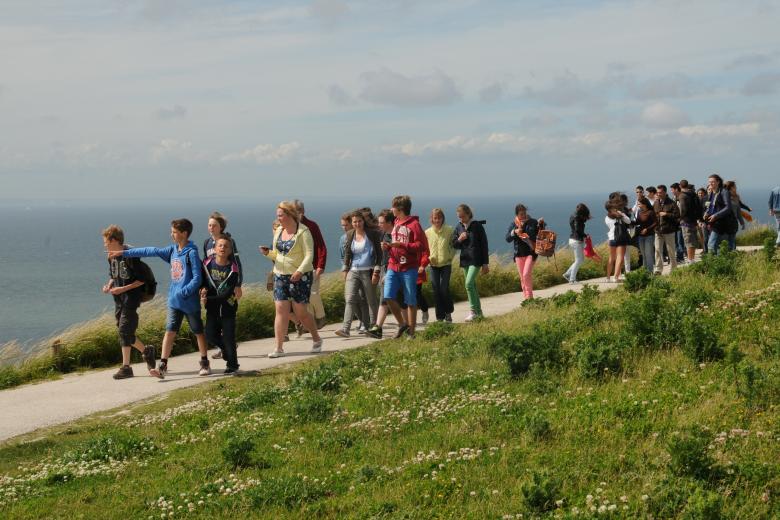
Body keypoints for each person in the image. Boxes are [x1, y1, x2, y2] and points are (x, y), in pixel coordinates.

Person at [110, 218, 210, 378]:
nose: (172, 234)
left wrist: (184, 292)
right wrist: (124, 252)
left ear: (184, 233)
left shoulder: (191, 252)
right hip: (174, 302)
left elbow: (197, 279)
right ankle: (162, 365)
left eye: (174, 232)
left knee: (198, 332)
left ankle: (204, 362)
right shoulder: (172, 250)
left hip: (189, 302)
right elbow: (151, 251)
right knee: (169, 332)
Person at [260, 201, 323, 357]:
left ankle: (316, 339)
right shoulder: (279, 231)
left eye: (280, 215)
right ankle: (279, 348)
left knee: (301, 312)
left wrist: (300, 271)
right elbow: (278, 254)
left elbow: (309, 255)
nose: (278, 218)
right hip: (280, 275)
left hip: (300, 276)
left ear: (289, 215)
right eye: (278, 216)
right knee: (281, 310)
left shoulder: (303, 231)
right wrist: (268, 253)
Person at [102, 225, 156, 380]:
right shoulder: (111, 256)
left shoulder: (131, 256)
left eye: (106, 241)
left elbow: (141, 280)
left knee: (124, 331)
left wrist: (123, 289)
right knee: (124, 332)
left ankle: (126, 367)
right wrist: (109, 285)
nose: (104, 244)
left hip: (131, 298)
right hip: (118, 299)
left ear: (113, 240)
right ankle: (147, 351)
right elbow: (114, 275)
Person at [382, 195, 429, 338]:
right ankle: (403, 324)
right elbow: (395, 244)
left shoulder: (414, 224)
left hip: (409, 268)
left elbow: (422, 246)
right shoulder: (395, 222)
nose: (391, 209)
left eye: (393, 207)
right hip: (393, 265)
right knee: (388, 296)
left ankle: (411, 333)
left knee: (410, 300)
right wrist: (388, 247)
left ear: (400, 209)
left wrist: (402, 245)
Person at [336, 209, 382, 337]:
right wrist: (345, 268)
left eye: (359, 221)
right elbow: (348, 254)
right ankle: (346, 329)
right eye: (354, 222)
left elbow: (379, 254)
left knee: (371, 300)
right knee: (350, 299)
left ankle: (374, 327)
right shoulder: (350, 234)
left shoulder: (372, 234)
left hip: (368, 271)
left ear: (363, 221)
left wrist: (376, 272)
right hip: (353, 270)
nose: (357, 224)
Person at [203, 211, 243, 360]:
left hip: (226, 285)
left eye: (214, 225)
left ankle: (229, 351)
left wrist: (238, 284)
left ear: (221, 227)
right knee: (213, 324)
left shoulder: (228, 242)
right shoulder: (207, 243)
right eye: (209, 225)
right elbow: (205, 266)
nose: (211, 228)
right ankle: (224, 347)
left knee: (226, 318)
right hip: (213, 286)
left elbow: (237, 263)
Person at [200, 234, 240, 374]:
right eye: (220, 245)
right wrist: (203, 289)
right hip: (212, 310)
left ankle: (232, 365)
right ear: (215, 248)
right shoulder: (206, 264)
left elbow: (227, 294)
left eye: (226, 246)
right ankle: (225, 349)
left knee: (229, 337)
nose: (223, 248)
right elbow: (203, 282)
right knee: (210, 334)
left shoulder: (233, 270)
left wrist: (207, 299)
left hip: (228, 308)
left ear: (230, 251)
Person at [366, 209, 407, 339]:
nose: (379, 225)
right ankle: (379, 328)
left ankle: (404, 326)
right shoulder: (383, 235)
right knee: (386, 299)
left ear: (390, 222)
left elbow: (401, 255)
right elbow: (380, 256)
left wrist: (389, 272)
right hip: (385, 268)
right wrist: (378, 271)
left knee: (396, 299)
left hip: (395, 269)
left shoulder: (396, 235)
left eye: (382, 222)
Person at [294, 200, 328, 330]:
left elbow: (321, 246)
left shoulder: (312, 226)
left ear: (302, 211)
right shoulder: (292, 227)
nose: (296, 214)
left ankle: (321, 316)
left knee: (313, 293)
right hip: (298, 268)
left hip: (313, 266)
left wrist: (321, 265)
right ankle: (310, 324)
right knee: (304, 298)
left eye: (297, 211)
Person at [452, 204, 489, 320]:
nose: (461, 219)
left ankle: (473, 311)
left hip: (476, 260)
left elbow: (484, 245)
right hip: (465, 259)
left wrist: (485, 263)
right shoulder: (458, 227)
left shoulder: (477, 226)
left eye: (462, 216)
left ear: (468, 214)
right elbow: (454, 244)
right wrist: (460, 239)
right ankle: (479, 313)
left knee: (468, 284)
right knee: (471, 285)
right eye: (459, 217)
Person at [425, 208, 455, 322]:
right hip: (433, 265)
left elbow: (454, 246)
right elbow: (425, 249)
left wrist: (450, 256)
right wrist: (428, 258)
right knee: (436, 290)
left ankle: (448, 312)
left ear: (443, 218)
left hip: (446, 264)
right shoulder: (427, 232)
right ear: (431, 219)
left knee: (444, 289)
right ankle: (440, 317)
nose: (437, 220)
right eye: (435, 218)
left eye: (439, 218)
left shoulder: (449, 230)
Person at [505, 204, 541, 299]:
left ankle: (529, 298)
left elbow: (540, 233)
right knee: (522, 277)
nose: (524, 215)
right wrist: (514, 232)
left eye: (525, 213)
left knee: (526, 274)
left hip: (531, 252)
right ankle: (527, 299)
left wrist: (541, 225)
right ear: (517, 214)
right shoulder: (513, 224)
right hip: (518, 254)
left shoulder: (533, 222)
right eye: (521, 214)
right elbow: (507, 238)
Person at [704, 174, 738, 254]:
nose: (710, 184)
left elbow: (728, 207)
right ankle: (718, 263)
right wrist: (706, 212)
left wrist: (715, 215)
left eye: (712, 182)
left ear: (718, 182)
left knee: (712, 245)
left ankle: (713, 263)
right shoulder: (712, 192)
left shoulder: (724, 191)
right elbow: (711, 205)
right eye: (709, 182)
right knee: (718, 246)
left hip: (724, 223)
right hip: (716, 223)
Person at [653, 185, 680, 274]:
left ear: (665, 192)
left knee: (671, 251)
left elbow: (677, 216)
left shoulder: (672, 203)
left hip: (669, 231)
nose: (658, 194)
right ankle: (658, 269)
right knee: (657, 250)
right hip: (658, 231)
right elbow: (654, 215)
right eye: (657, 192)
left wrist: (666, 214)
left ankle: (674, 269)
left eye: (660, 192)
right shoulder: (656, 203)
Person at [604, 195, 631, 282]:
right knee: (620, 257)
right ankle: (616, 277)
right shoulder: (620, 214)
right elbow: (629, 221)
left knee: (611, 258)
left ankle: (608, 277)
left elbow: (609, 226)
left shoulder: (607, 217)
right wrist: (621, 214)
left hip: (611, 238)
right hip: (621, 237)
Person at [562, 203, 590, 284]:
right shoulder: (577, 217)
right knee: (579, 260)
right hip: (577, 240)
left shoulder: (573, 216)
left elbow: (576, 228)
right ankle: (572, 279)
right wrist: (585, 235)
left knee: (580, 260)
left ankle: (567, 274)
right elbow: (578, 229)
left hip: (572, 239)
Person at [676, 180, 702, 263]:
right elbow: (699, 207)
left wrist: (679, 218)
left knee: (688, 241)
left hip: (686, 221)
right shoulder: (694, 194)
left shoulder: (682, 195)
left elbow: (683, 209)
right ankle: (692, 258)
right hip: (694, 221)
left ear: (680, 186)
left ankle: (690, 260)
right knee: (693, 240)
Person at [635, 197, 657, 272]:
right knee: (643, 255)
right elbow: (637, 222)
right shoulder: (639, 212)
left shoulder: (651, 212)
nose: (638, 205)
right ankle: (645, 271)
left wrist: (647, 229)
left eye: (639, 204)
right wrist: (629, 223)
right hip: (641, 236)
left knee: (648, 254)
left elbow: (655, 223)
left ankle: (650, 272)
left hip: (649, 236)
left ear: (644, 204)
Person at [698, 187, 710, 254]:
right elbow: (700, 211)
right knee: (705, 238)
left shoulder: (716, 199)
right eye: (708, 189)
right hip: (704, 221)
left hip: (713, 221)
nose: (710, 191)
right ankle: (705, 251)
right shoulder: (704, 199)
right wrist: (700, 221)